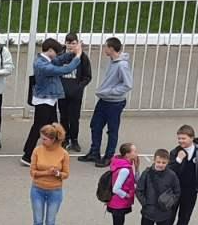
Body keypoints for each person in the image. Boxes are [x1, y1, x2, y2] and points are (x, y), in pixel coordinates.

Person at [19, 38, 80, 166]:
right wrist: (78, 56)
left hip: (50, 99)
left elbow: (59, 60)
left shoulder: (46, 60)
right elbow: (65, 69)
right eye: (56, 52)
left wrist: (72, 53)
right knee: (38, 128)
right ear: (50, 50)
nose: (57, 55)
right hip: (44, 101)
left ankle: (54, 152)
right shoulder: (41, 65)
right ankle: (27, 156)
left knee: (53, 128)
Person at [83, 37, 133, 168]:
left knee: (112, 130)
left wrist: (110, 91)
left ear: (111, 48)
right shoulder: (112, 61)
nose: (104, 49)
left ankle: (109, 156)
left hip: (115, 103)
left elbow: (127, 84)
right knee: (95, 125)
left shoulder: (122, 65)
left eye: (106, 47)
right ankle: (94, 152)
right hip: (104, 100)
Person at [134, 148, 180, 225]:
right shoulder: (146, 173)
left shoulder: (172, 175)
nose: (160, 165)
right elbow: (139, 190)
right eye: (158, 162)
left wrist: (169, 204)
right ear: (154, 160)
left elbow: (177, 192)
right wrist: (145, 204)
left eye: (163, 163)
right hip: (148, 212)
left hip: (164, 213)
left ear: (167, 162)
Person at [27, 122, 69, 225]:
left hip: (55, 191)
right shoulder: (37, 151)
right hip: (37, 189)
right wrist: (47, 172)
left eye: (44, 139)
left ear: (53, 139)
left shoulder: (63, 154)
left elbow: (66, 174)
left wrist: (57, 173)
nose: (42, 141)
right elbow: (33, 172)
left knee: (50, 222)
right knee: (38, 220)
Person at [102, 142, 137, 225]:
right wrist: (126, 195)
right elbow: (116, 188)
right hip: (118, 203)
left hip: (118, 203)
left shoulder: (124, 164)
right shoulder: (124, 170)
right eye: (134, 151)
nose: (136, 153)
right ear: (127, 154)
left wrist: (136, 167)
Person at [57, 33, 93, 153]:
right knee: (63, 117)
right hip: (62, 93)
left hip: (75, 94)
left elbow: (87, 76)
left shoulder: (82, 57)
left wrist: (79, 87)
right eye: (69, 43)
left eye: (73, 43)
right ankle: (64, 138)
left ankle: (74, 140)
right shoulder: (60, 56)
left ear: (77, 43)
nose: (71, 46)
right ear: (65, 43)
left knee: (74, 118)